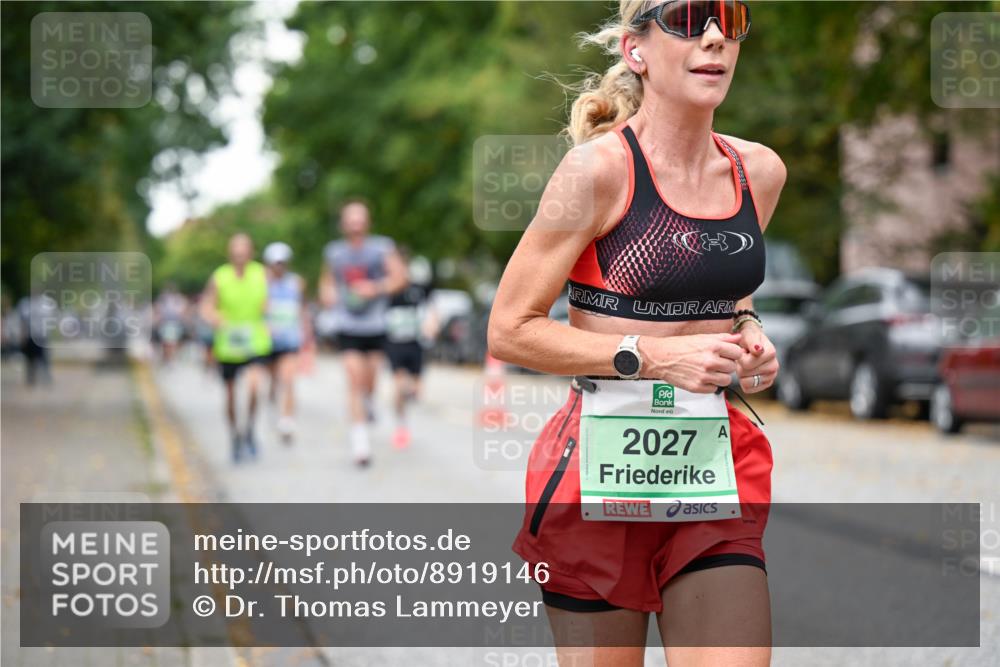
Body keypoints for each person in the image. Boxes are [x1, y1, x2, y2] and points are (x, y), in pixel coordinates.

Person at [487, 1, 786, 665]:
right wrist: (653, 357)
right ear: (635, 49)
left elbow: (725, 284)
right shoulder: (596, 173)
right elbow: (509, 329)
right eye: (687, 17)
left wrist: (748, 328)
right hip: (598, 469)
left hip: (710, 471)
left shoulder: (758, 173)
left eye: (730, 17)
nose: (714, 36)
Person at [319, 199, 407, 466]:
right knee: (354, 380)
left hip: (376, 325)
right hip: (347, 325)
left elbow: (400, 278)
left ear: (367, 223)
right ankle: (360, 444)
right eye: (351, 220)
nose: (356, 225)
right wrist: (328, 295)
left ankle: (368, 402)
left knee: (369, 382)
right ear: (343, 224)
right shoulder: (334, 252)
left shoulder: (382, 248)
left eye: (360, 220)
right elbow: (327, 282)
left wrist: (375, 288)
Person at [200, 234, 272, 463]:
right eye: (236, 250)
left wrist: (270, 316)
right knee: (230, 394)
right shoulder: (219, 276)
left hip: (255, 340)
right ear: (230, 253)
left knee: (254, 386)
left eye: (244, 249)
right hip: (229, 343)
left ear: (251, 252)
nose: (240, 254)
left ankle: (249, 428)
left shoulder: (262, 273)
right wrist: (214, 317)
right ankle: (235, 436)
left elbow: (271, 301)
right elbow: (206, 306)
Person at [384, 253, 434, 449]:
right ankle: (401, 425)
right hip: (394, 344)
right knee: (399, 386)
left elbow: (431, 309)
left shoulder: (417, 289)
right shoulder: (386, 289)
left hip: (415, 344)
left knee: (416, 390)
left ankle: (408, 396)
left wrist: (432, 324)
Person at [262, 241, 308, 444]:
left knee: (288, 379)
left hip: (290, 340)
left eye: (282, 263)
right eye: (275, 263)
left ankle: (287, 420)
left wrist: (306, 334)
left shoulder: (296, 283)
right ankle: (273, 402)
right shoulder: (261, 283)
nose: (278, 267)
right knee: (274, 379)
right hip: (268, 341)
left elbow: (302, 308)